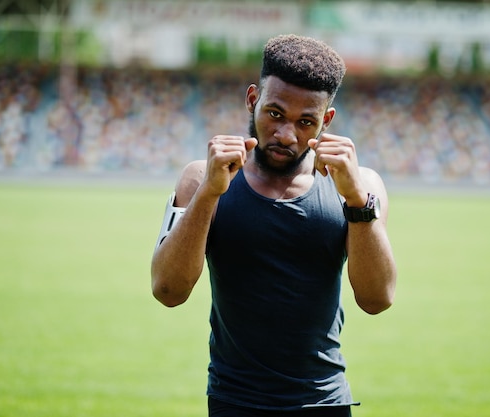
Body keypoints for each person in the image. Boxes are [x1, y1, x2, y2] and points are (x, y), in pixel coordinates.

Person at [151, 34, 397, 416]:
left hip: (325, 402)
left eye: (306, 122)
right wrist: (208, 195)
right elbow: (167, 290)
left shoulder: (361, 186)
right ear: (253, 100)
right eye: (275, 114)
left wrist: (356, 201)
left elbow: (377, 298)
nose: (286, 135)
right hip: (234, 402)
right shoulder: (201, 178)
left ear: (326, 121)